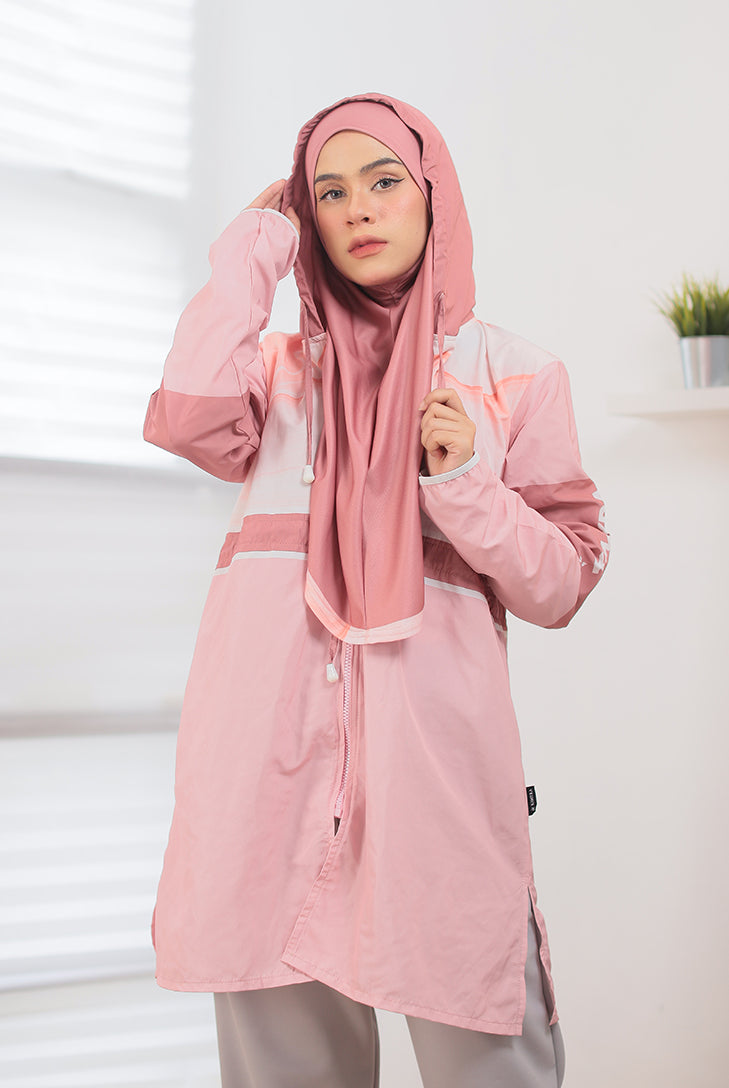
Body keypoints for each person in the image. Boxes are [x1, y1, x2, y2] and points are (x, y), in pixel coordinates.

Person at [143, 92, 609, 1087]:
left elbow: (562, 582)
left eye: (385, 180)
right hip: (268, 784)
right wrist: (253, 247)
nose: (357, 208)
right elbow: (189, 419)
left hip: (431, 786)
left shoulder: (513, 375)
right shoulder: (275, 375)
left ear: (432, 195)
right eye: (328, 192)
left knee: (490, 1057)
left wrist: (465, 485)